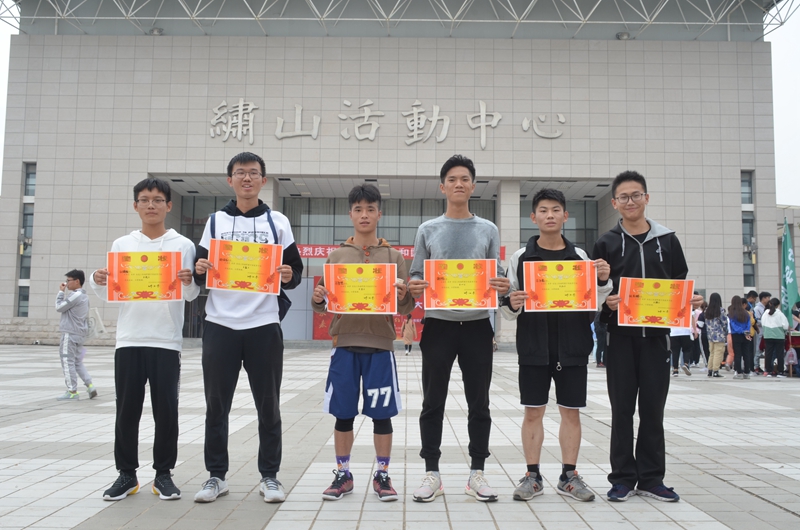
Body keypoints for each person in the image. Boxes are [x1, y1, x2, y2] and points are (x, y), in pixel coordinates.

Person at [192, 152, 304, 504]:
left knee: (268, 406)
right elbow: (198, 270)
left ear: (263, 181)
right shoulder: (215, 222)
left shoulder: (278, 222)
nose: (247, 178)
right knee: (216, 406)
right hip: (220, 324)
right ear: (230, 180)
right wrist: (199, 268)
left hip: (263, 325)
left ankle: (270, 476)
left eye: (253, 173)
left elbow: (295, 273)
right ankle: (216, 476)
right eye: (240, 173)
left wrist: (288, 274)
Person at [407, 154, 510, 502]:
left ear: (473, 186)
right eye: (452, 179)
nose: (459, 184)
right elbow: (417, 273)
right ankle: (432, 473)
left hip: (478, 326)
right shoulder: (428, 229)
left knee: (479, 403)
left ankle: (477, 473)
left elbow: (497, 275)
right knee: (432, 402)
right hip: (438, 325)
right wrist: (416, 285)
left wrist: (501, 285)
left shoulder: (488, 229)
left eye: (465, 179)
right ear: (442, 186)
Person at [592, 170, 699, 503]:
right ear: (614, 203)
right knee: (622, 411)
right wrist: (608, 303)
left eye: (636, 195)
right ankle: (622, 478)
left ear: (646, 198)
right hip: (620, 340)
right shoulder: (606, 243)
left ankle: (652, 478)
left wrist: (687, 300)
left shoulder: (668, 241)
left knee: (653, 410)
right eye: (623, 197)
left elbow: (678, 283)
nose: (630, 201)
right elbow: (597, 293)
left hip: (656, 339)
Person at [90, 178, 200, 501]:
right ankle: (126, 474)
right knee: (126, 410)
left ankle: (163, 474)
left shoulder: (183, 245)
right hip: (129, 339)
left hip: (166, 340)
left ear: (169, 205)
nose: (151, 205)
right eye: (144, 199)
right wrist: (98, 280)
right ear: (135, 205)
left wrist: (189, 281)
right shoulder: (123, 244)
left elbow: (191, 294)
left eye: (157, 200)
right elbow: (111, 293)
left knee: (166, 411)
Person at [500, 189, 612, 503]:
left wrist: (603, 281)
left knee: (571, 414)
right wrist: (512, 302)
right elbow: (508, 308)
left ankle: (569, 476)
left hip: (572, 347)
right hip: (534, 347)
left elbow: (595, 303)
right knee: (532, 412)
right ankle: (532, 476)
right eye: (543, 210)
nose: (550, 215)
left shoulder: (580, 258)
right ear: (533, 217)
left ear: (565, 216)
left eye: (556, 210)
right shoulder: (520, 258)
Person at [311, 184, 414, 502]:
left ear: (379, 214)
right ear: (350, 214)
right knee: (343, 414)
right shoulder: (337, 256)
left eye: (370, 209)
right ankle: (343, 474)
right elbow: (323, 303)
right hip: (344, 343)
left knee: (382, 415)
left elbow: (406, 306)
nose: (364, 214)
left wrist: (404, 295)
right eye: (358, 209)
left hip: (380, 345)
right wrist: (318, 297)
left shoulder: (393, 257)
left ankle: (382, 474)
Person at [55, 269, 95, 401]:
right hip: (80, 334)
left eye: (68, 280)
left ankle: (72, 391)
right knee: (77, 362)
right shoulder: (84, 296)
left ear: (77, 281)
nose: (66, 283)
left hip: (70, 333)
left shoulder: (75, 295)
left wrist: (61, 292)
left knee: (67, 361)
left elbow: (59, 307)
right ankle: (90, 385)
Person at [761, 298, 789, 377]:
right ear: (778, 305)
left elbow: (763, 323)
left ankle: (768, 371)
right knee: (780, 354)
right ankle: (780, 371)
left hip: (768, 335)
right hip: (779, 336)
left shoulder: (765, 313)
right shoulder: (780, 314)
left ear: (770, 304)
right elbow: (785, 326)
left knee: (768, 354)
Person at [703, 293, 728, 378]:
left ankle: (710, 370)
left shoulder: (706, 310)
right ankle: (716, 371)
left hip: (710, 335)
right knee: (718, 353)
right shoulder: (721, 310)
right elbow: (724, 323)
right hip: (719, 335)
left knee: (712, 353)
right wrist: (726, 332)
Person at [728, 295, 753, 379]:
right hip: (746, 335)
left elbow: (733, 325)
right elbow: (749, 324)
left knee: (737, 354)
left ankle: (738, 372)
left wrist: (740, 330)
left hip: (736, 335)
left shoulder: (732, 313)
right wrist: (746, 331)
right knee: (746, 354)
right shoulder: (746, 313)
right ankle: (747, 372)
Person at [752, 291, 770, 374]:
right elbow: (757, 321)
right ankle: (756, 365)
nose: (769, 299)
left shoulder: (766, 307)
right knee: (758, 348)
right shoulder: (757, 308)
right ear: (763, 299)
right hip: (760, 331)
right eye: (768, 298)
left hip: (766, 331)